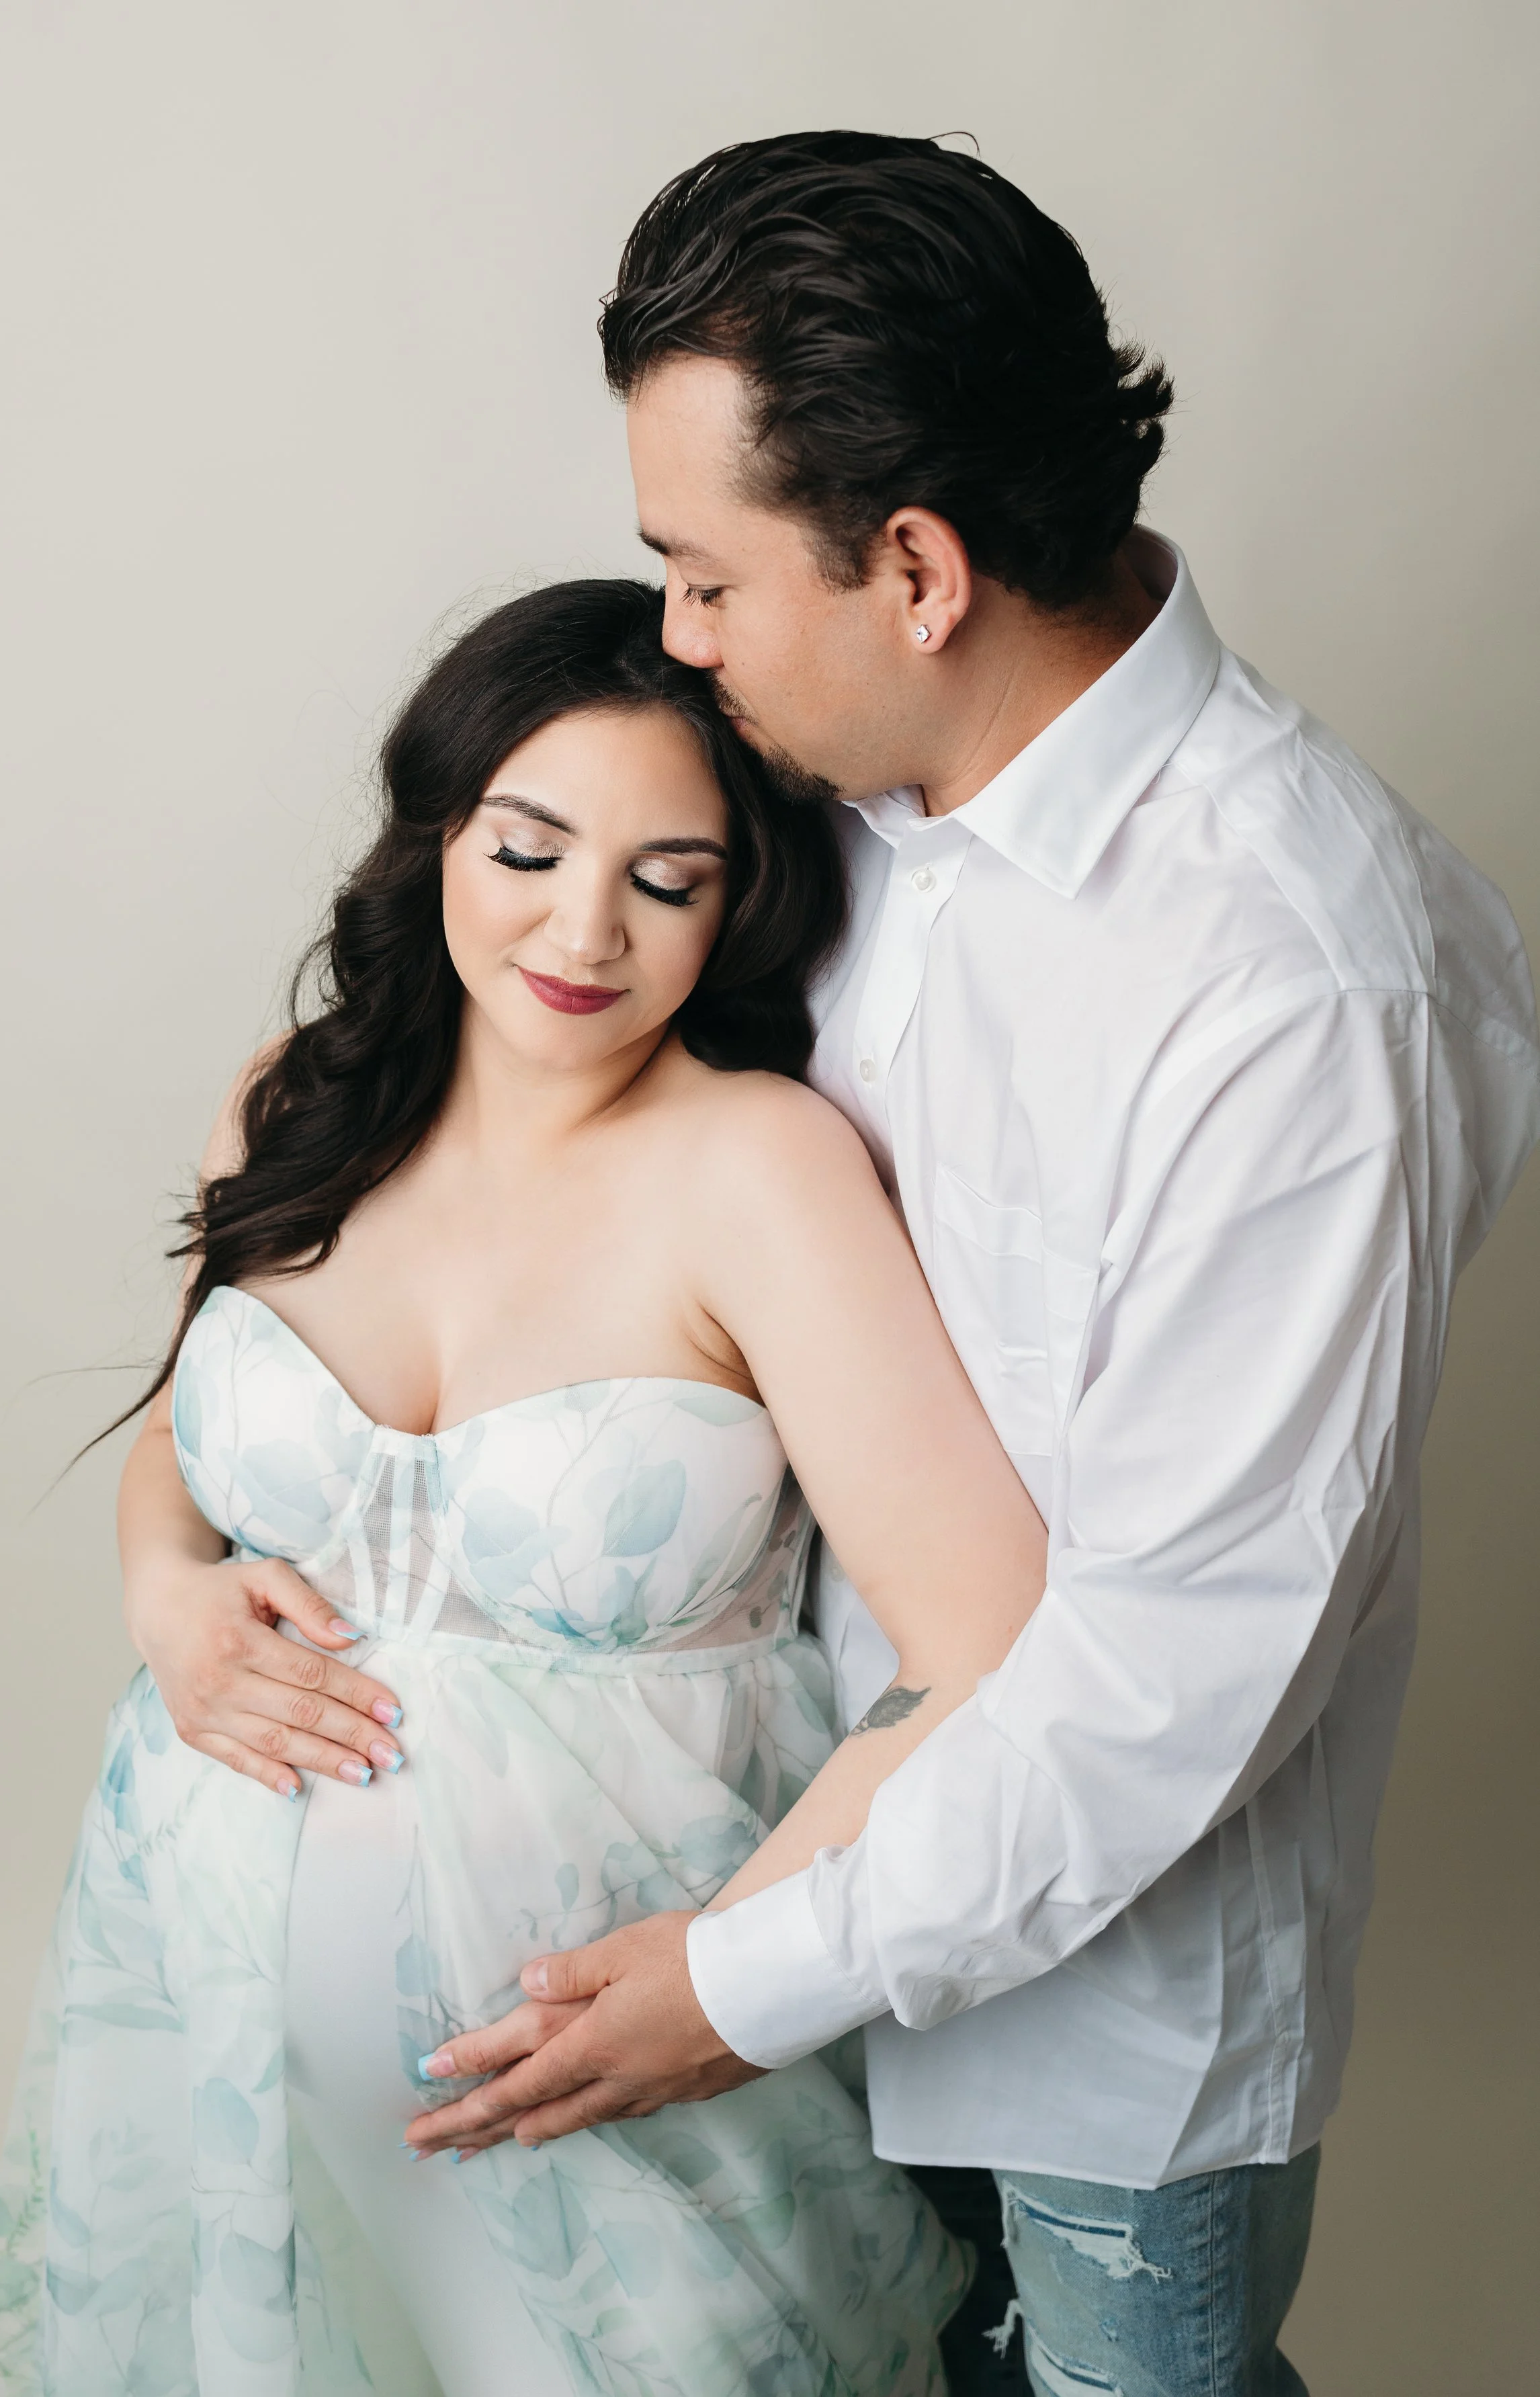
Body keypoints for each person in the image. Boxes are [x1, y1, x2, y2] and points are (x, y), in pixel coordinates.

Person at [402, 136, 1540, 2396]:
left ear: (914, 566)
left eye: (705, 578)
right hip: (752, 1903)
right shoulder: (811, 810)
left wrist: (747, 1983)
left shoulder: (1296, 977)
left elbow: (1172, 1673)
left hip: (1080, 2060)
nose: (681, 639)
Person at [0, 577, 1052, 2396]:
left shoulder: (757, 1169)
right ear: (439, 833)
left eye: (665, 876)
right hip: (211, 2038)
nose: (582, 928)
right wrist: (164, 1591)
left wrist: (724, 1973)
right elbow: (189, 1442)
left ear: (739, 898)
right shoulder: (298, 1104)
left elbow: (981, 1636)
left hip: (630, 2100)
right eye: (528, 846)